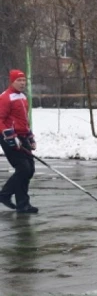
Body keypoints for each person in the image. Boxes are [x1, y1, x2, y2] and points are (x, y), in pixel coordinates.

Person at [0, 70, 39, 213]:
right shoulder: (5, 98)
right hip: (9, 138)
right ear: (12, 81)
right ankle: (5, 195)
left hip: (22, 137)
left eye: (24, 80)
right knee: (23, 168)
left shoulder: (22, 97)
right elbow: (0, 120)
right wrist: (10, 137)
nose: (23, 83)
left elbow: (23, 120)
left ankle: (22, 204)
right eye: (19, 80)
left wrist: (30, 136)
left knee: (30, 170)